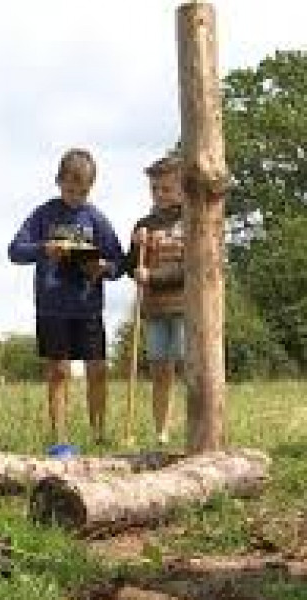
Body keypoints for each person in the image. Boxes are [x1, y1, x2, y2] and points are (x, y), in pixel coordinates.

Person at [8, 149, 124, 444]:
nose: (76, 196)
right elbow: (15, 250)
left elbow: (120, 262)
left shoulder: (96, 219)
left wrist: (103, 268)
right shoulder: (44, 214)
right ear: (58, 181)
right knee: (59, 371)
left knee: (97, 370)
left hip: (88, 308)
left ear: (91, 188)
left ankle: (98, 434)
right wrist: (44, 248)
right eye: (71, 189)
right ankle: (59, 436)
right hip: (52, 307)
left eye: (83, 191)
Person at [126, 155, 185, 445]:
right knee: (161, 369)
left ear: (182, 188)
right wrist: (136, 247)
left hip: (186, 308)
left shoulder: (192, 221)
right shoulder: (144, 224)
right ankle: (162, 431)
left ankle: (196, 425)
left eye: (166, 189)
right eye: (154, 189)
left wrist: (153, 276)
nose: (159, 195)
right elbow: (131, 268)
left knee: (192, 369)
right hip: (155, 310)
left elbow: (192, 270)